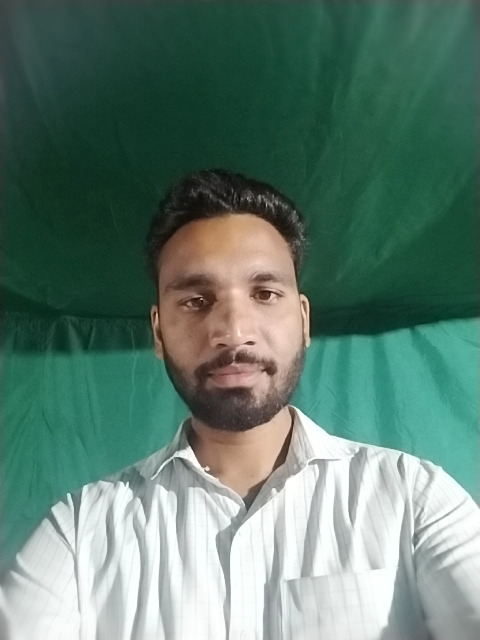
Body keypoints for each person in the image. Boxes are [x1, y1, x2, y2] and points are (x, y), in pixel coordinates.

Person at [1, 169, 480, 640]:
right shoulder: (81, 530)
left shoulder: (414, 500)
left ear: (304, 319)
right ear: (158, 332)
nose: (233, 331)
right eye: (195, 300)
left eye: (265, 294)